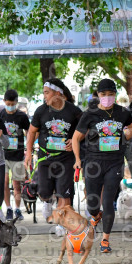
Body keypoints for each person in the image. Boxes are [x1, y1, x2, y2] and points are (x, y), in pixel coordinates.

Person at [72, 78, 132, 253]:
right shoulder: (89, 114)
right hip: (93, 162)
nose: (107, 97)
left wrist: (127, 134)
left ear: (115, 94)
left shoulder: (123, 113)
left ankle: (105, 240)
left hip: (114, 163)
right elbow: (76, 138)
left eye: (110, 94)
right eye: (103, 94)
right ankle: (95, 215)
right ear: (98, 95)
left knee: (108, 202)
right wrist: (78, 160)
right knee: (93, 205)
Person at [24, 78, 82, 221]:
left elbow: (84, 130)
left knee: (64, 193)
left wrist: (74, 139)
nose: (44, 96)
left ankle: (61, 222)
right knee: (44, 191)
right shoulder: (41, 111)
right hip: (46, 158)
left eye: (47, 93)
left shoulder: (73, 111)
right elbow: (31, 132)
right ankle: (48, 200)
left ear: (57, 93)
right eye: (44, 93)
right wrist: (29, 154)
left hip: (66, 159)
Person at [0, 89, 30, 220]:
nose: (10, 106)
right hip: (3, 155)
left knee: (17, 184)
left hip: (17, 155)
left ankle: (17, 208)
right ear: (4, 102)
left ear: (16, 103)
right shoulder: (0, 115)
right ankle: (8, 208)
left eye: (13, 103)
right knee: (4, 182)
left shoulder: (22, 116)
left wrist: (29, 149)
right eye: (8, 103)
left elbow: (29, 131)